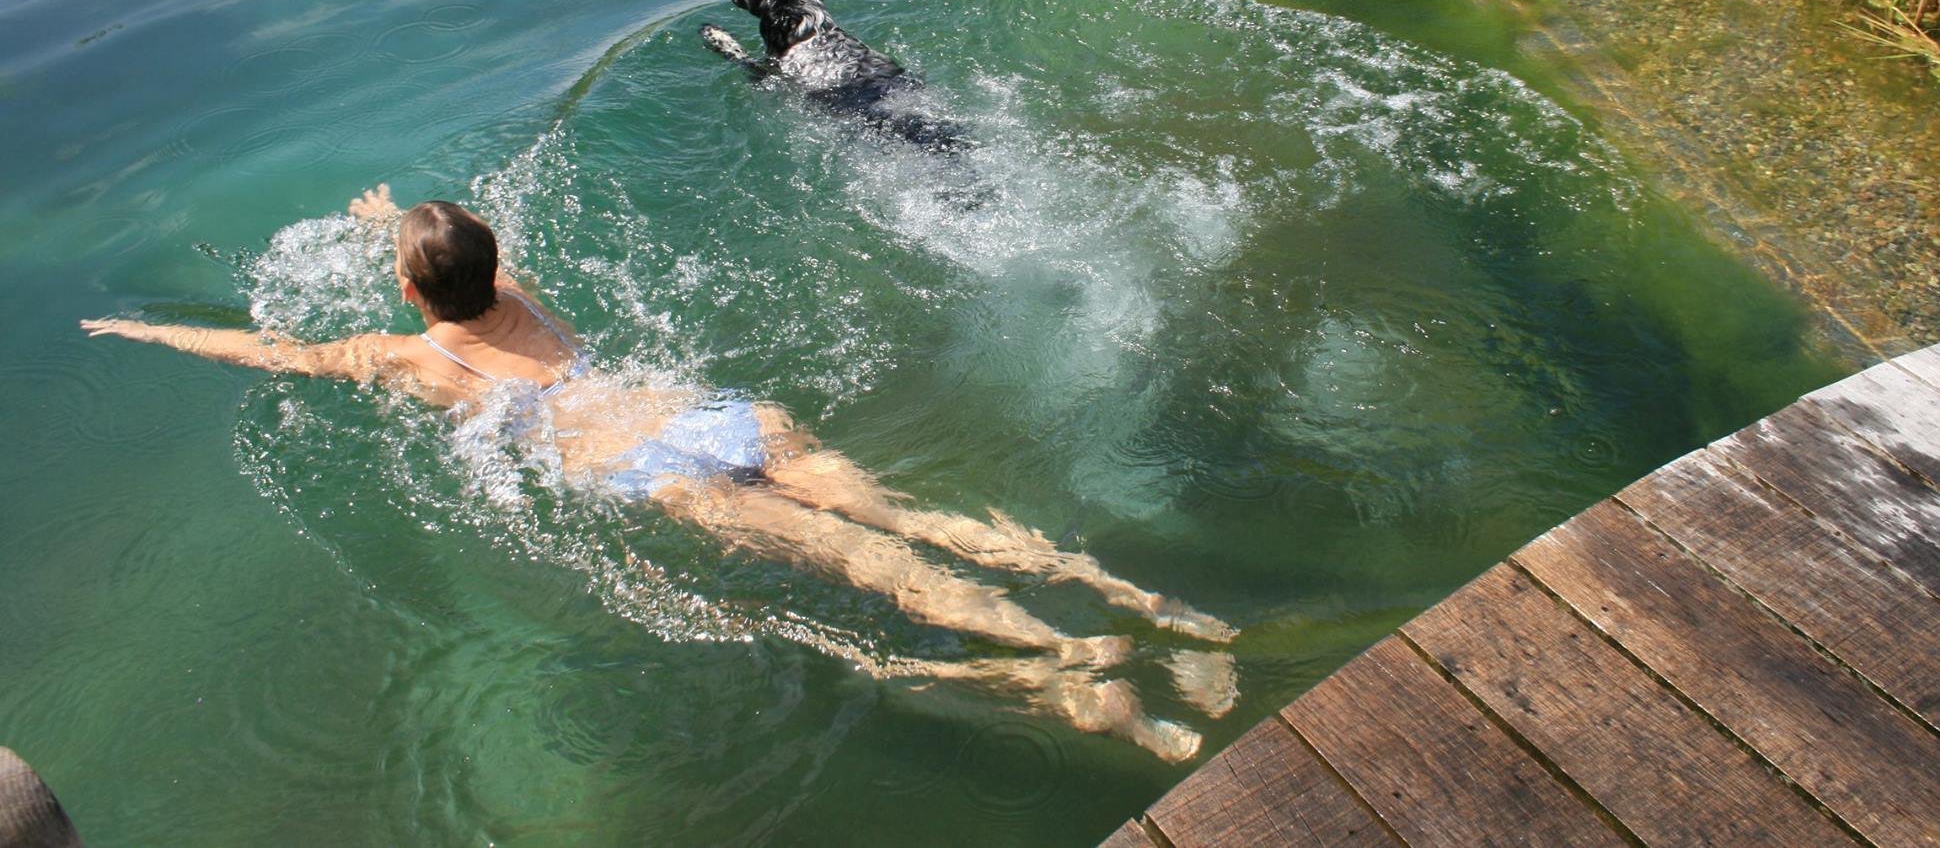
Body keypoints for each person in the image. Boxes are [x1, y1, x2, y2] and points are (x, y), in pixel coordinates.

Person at [81, 189, 1234, 760]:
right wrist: (402, 212)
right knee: (911, 517)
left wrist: (150, 334)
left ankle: (1076, 663)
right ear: (486, 269)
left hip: (640, 468)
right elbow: (481, 250)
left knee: (869, 566)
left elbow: (275, 352)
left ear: (407, 295)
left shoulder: (405, 359)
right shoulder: (519, 292)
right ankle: (1150, 604)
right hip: (706, 413)